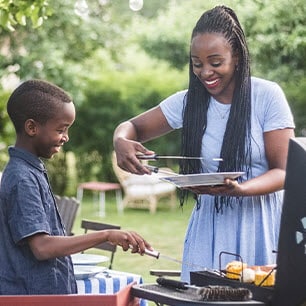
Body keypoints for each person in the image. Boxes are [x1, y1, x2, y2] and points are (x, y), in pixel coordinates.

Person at [113, 5, 295, 283]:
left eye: (215, 62)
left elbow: (284, 171)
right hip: (210, 226)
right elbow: (132, 127)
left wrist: (240, 189)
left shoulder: (267, 96)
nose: (205, 72)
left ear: (237, 57)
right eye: (197, 64)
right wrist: (121, 140)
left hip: (259, 224)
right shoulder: (189, 102)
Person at [0, 79, 152, 295]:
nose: (66, 137)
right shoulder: (22, 178)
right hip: (29, 297)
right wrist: (106, 235)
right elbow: (42, 247)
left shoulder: (31, 170)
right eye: (61, 129)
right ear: (32, 127)